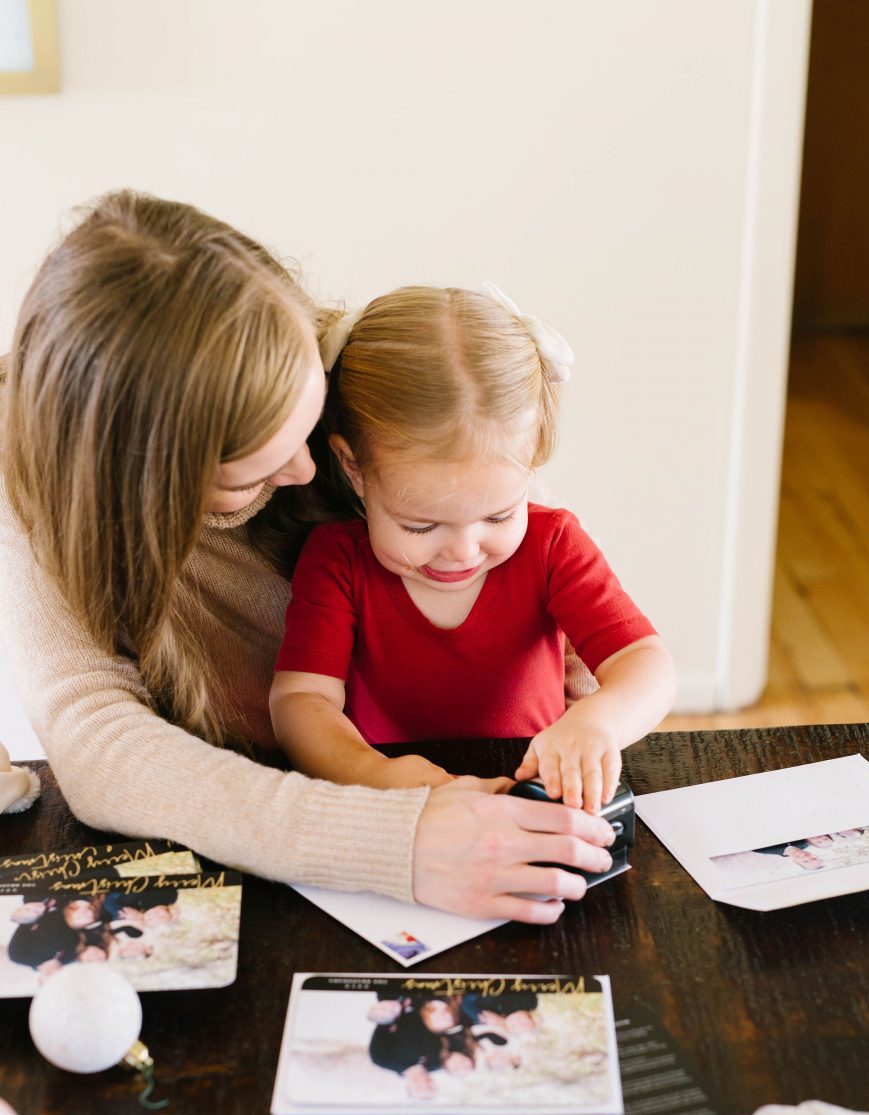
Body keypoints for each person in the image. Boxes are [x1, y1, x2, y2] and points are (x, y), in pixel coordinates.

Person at [0, 192, 617, 922]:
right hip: (270, 826)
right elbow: (100, 746)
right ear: (139, 483)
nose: (302, 469)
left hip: (472, 770)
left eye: (311, 418)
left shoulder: (341, 356)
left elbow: (496, 503)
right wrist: (391, 839)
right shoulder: (37, 473)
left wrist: (580, 687)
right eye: (247, 472)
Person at [269, 284, 676, 814]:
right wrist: (375, 774)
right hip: (398, 810)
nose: (463, 551)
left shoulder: (553, 544)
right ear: (353, 469)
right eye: (420, 525)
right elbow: (301, 702)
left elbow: (646, 662)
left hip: (536, 796)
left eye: (498, 515)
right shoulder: (337, 561)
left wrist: (594, 723)